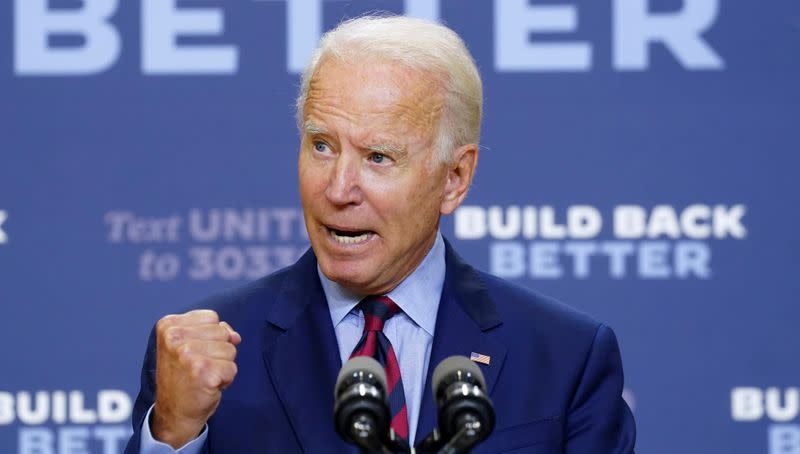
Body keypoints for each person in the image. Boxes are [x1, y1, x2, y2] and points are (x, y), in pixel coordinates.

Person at [125, 14, 636, 454]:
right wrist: (174, 432)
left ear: (454, 179)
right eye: (322, 145)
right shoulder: (206, 353)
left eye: (378, 157)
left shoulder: (565, 357)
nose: (338, 188)